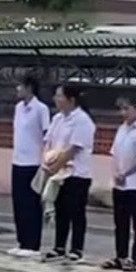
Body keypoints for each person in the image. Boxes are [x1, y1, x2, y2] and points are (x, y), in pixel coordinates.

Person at [42, 82, 95, 262]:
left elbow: (74, 148)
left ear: (71, 100)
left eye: (60, 96)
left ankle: (76, 248)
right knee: (60, 209)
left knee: (76, 211)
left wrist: (57, 165)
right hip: (58, 173)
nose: (56, 100)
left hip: (76, 173)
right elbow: (49, 142)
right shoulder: (58, 119)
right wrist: (49, 160)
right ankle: (59, 246)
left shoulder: (82, 120)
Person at [102, 94, 136, 272]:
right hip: (120, 182)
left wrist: (126, 172)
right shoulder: (122, 128)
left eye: (127, 108)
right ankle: (120, 255)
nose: (123, 112)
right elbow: (114, 152)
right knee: (120, 221)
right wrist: (116, 172)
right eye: (121, 109)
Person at [8, 76, 50, 258]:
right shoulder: (18, 108)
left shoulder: (41, 109)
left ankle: (33, 244)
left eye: (21, 86)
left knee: (31, 204)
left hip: (33, 162)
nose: (18, 89)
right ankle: (22, 240)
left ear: (29, 88)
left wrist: (46, 160)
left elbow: (46, 135)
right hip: (18, 160)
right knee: (19, 203)